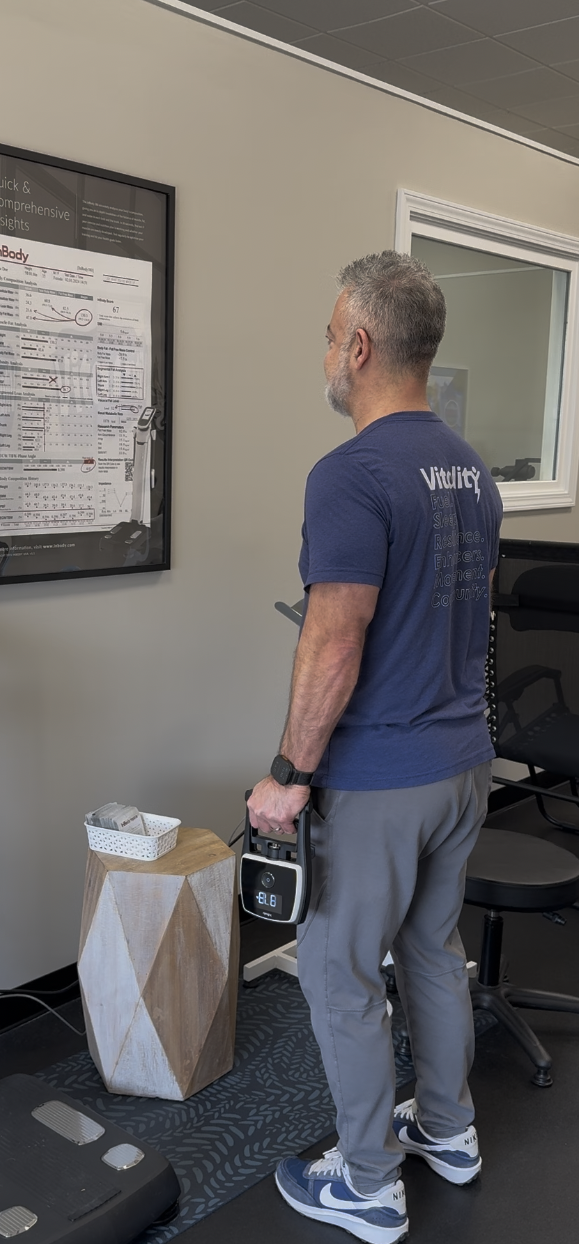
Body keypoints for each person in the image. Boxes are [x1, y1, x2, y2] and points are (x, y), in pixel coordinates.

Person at [247, 251, 503, 1244]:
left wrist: (288, 775)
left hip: (382, 780)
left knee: (339, 973)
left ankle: (367, 1183)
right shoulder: (471, 469)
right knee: (433, 952)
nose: (324, 352)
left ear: (358, 346)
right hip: (464, 764)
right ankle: (448, 1128)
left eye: (327, 335)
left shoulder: (350, 474)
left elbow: (336, 638)